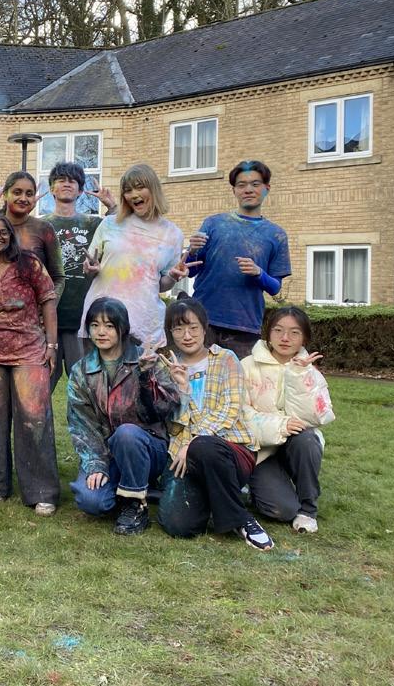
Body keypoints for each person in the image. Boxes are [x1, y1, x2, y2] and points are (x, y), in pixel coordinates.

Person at [156, 299, 273, 551]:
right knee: (178, 525)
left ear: (204, 327)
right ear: (170, 332)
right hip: (184, 457)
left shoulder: (225, 359)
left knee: (204, 447)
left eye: (193, 328)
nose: (187, 336)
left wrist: (192, 442)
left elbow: (230, 410)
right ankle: (215, 499)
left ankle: (241, 519)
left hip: (229, 449)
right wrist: (183, 389)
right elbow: (171, 423)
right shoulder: (166, 369)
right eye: (178, 329)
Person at [66, 297, 180, 534]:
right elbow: (81, 425)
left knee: (126, 434)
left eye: (109, 325)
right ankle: (133, 486)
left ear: (122, 328)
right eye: (95, 325)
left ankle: (135, 505)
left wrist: (146, 377)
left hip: (148, 448)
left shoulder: (145, 359)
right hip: (108, 454)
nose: (101, 332)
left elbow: (165, 409)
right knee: (91, 501)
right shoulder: (81, 371)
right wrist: (96, 464)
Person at [0, 214, 60, 515]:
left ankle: (42, 491)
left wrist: (51, 344)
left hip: (29, 351)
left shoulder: (29, 264)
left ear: (11, 236)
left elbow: (48, 300)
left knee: (34, 418)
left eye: (3, 232)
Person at [242, 306, 335, 534]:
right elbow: (240, 414)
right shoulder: (247, 366)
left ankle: (308, 509)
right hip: (261, 450)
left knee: (307, 439)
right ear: (268, 333)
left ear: (304, 338)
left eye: (294, 332)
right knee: (282, 511)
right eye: (278, 330)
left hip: (296, 446)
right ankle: (257, 486)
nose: (285, 338)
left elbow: (316, 417)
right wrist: (280, 425)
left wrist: (299, 376)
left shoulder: (309, 371)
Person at [186, 161, 291, 358]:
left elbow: (275, 288)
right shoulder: (213, 224)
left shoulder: (276, 235)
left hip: (245, 327)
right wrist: (191, 251)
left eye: (255, 184)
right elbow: (190, 271)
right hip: (202, 321)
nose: (248, 190)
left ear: (267, 188)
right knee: (195, 376)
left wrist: (259, 273)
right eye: (241, 185)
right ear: (234, 190)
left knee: (240, 378)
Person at [81, 164, 190, 351]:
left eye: (140, 188)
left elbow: (160, 285)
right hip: (103, 319)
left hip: (143, 323)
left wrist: (172, 277)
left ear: (153, 189)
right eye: (128, 190)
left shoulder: (173, 234)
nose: (133, 195)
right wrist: (91, 269)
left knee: (140, 371)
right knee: (97, 371)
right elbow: (91, 264)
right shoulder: (110, 224)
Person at [41, 162, 116, 392]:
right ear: (52, 189)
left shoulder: (94, 223)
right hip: (47, 320)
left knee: (87, 387)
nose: (66, 184)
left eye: (72, 181)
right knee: (41, 388)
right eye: (61, 180)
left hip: (83, 321)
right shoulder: (40, 225)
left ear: (81, 190)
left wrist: (112, 207)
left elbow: (124, 235)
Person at [0, 170, 64, 293]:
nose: (23, 198)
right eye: (17, 192)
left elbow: (58, 277)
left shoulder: (44, 228)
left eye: (29, 194)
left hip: (37, 304)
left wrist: (49, 303)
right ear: (5, 195)